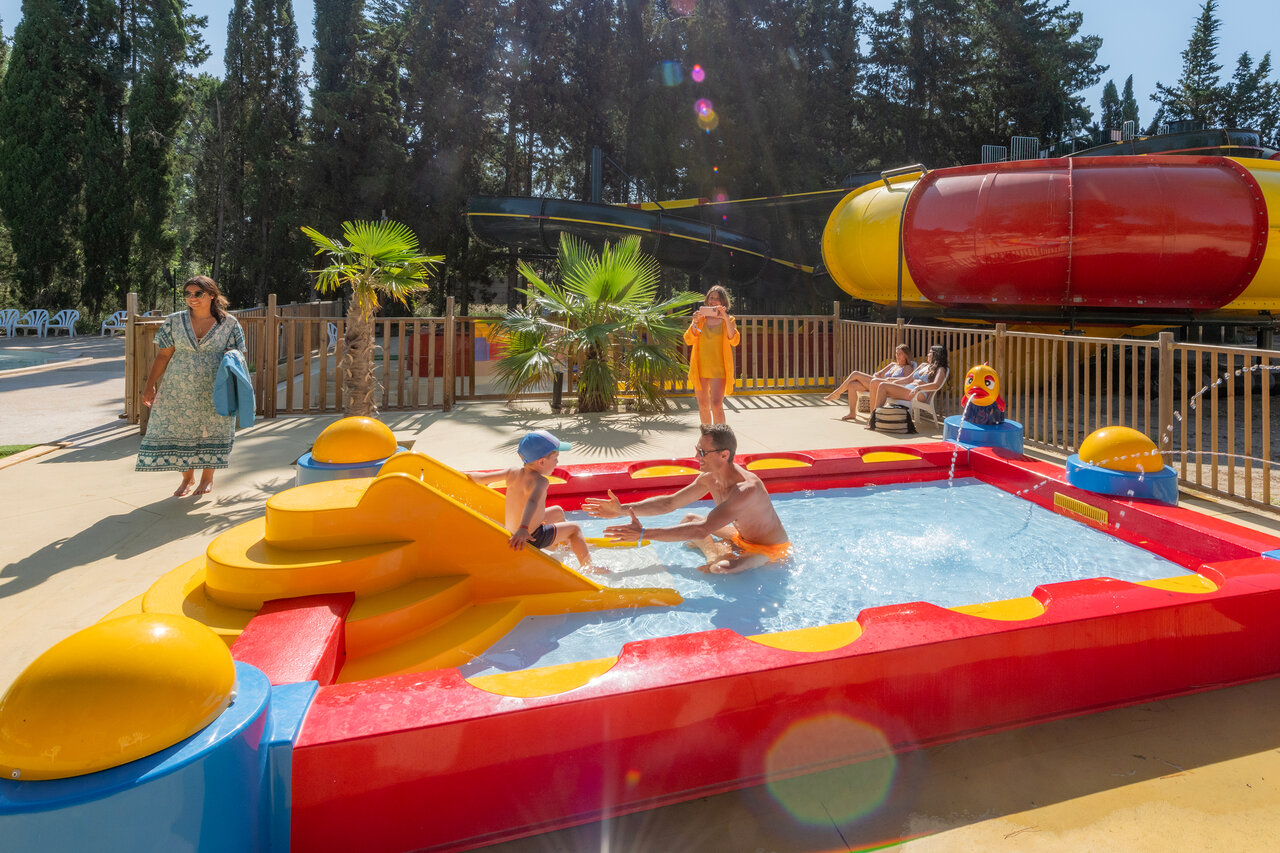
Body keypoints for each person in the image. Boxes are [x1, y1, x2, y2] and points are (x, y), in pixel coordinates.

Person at [587, 424, 790, 575]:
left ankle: (716, 555)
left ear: (724, 454)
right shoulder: (709, 478)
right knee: (689, 519)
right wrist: (621, 509)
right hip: (741, 538)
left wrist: (642, 534)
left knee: (719, 569)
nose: (696, 456)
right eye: (697, 449)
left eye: (702, 452)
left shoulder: (746, 490)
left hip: (769, 548)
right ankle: (717, 550)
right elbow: (670, 503)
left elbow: (702, 530)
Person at [136, 276, 246, 497]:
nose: (192, 298)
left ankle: (207, 478)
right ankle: (187, 479)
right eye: (187, 294)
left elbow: (237, 357)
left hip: (216, 386)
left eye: (198, 294)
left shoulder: (230, 323)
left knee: (215, 429)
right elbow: (163, 355)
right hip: (178, 386)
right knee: (179, 429)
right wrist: (150, 386)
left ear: (212, 295)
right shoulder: (175, 321)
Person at [468, 430, 601, 572]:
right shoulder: (540, 481)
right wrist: (524, 528)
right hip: (532, 537)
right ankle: (588, 567)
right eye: (555, 458)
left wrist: (464, 475)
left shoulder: (511, 472)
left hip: (512, 531)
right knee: (575, 529)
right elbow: (531, 502)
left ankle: (568, 544)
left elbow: (481, 478)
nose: (557, 462)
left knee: (557, 511)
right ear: (542, 461)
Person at [683, 284, 740, 425]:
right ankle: (707, 438)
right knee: (703, 406)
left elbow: (734, 340)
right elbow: (689, 339)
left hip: (719, 368)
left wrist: (725, 318)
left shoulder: (729, 320)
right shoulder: (700, 319)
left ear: (723, 302)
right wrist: (694, 322)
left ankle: (720, 438)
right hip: (700, 367)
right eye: (711, 297)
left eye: (717, 298)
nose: (713, 301)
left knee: (716, 405)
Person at [825, 343, 915, 421]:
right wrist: (877, 377)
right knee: (852, 385)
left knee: (855, 373)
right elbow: (878, 374)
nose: (897, 355)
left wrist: (888, 380)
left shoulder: (907, 367)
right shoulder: (892, 365)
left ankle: (837, 393)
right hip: (876, 383)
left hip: (886, 388)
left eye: (900, 354)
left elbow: (905, 381)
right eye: (896, 353)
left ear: (906, 355)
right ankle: (852, 413)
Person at [868, 344, 949, 426]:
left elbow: (936, 385)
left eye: (930, 353)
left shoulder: (940, 369)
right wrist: (893, 382)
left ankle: (873, 421)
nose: (928, 354)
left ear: (936, 355)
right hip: (908, 388)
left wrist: (919, 388)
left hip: (919, 393)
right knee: (875, 382)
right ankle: (873, 417)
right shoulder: (923, 365)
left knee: (883, 386)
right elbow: (908, 379)